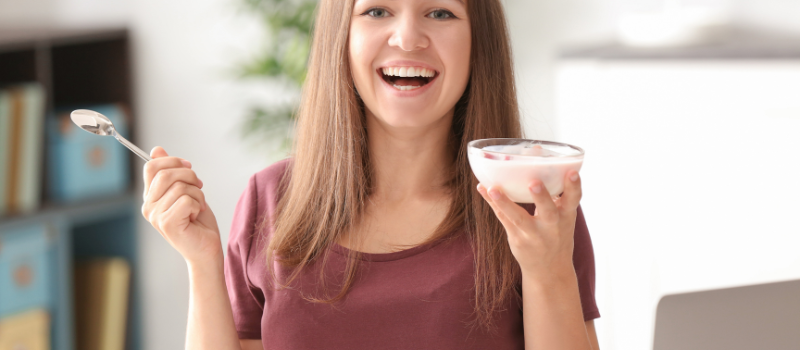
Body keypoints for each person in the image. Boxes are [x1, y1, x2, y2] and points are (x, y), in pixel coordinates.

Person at [141, 0, 601, 349]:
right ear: (341, 33)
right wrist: (202, 264)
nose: (408, 38)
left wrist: (548, 273)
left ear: (480, 39)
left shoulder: (534, 207)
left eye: (440, 12)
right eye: (378, 10)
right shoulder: (270, 199)